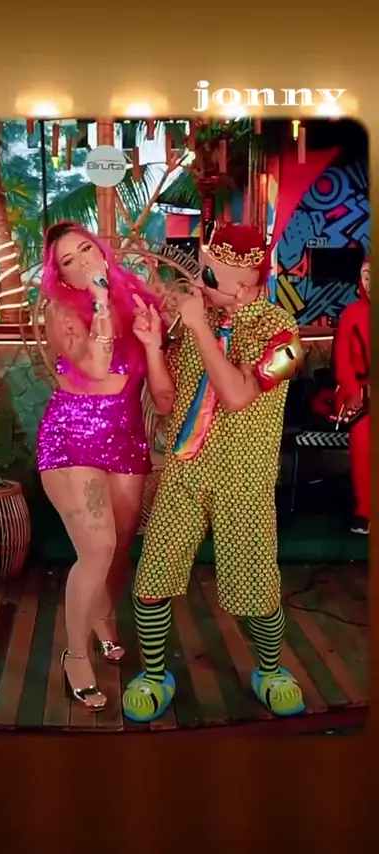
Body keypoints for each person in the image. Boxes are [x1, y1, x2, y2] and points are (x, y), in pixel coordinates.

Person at [122, 222, 307, 723]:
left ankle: (270, 671)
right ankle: (155, 675)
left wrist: (202, 329)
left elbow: (239, 394)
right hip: (184, 473)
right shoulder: (191, 321)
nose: (196, 282)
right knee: (151, 579)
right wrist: (152, 345)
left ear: (245, 287)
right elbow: (166, 400)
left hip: (243, 481)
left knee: (255, 589)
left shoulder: (285, 336)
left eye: (208, 276)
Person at [37, 221, 168, 711]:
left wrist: (154, 339)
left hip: (126, 436)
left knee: (119, 547)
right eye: (69, 261)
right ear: (62, 276)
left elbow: (163, 389)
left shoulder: (138, 301)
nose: (83, 262)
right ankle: (75, 654)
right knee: (98, 545)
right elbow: (94, 367)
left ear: (102, 250)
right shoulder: (61, 312)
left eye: (86, 249)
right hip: (72, 435)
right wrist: (99, 304)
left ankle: (103, 615)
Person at [334, 254, 370, 535]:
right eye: (366, 276)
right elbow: (342, 361)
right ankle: (365, 511)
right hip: (359, 394)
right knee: (363, 444)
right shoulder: (352, 314)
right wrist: (353, 391)